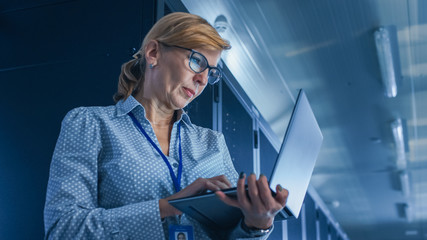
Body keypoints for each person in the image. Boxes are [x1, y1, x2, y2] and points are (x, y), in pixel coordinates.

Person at [44, 12, 288, 239]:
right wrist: (169, 205)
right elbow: (63, 228)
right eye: (196, 61)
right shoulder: (91, 125)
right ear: (153, 53)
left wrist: (257, 223)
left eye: (211, 72)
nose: (203, 79)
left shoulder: (213, 143)